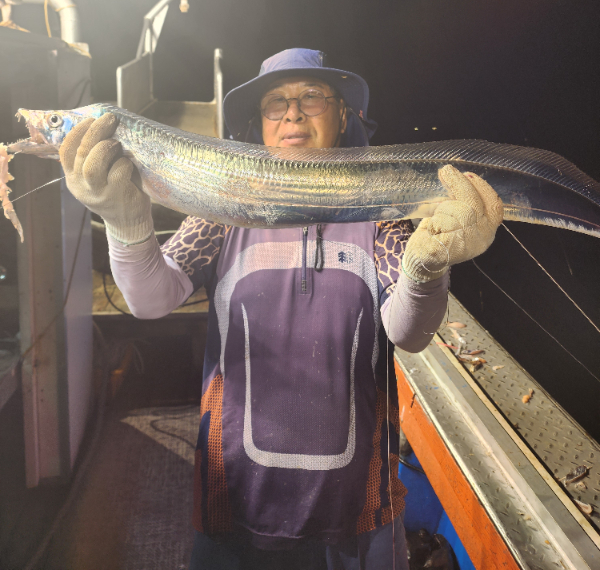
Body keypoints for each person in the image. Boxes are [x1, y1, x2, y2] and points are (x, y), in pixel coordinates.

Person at [59, 48, 503, 570]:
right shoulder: (223, 206)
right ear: (261, 123)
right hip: (235, 496)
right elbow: (151, 299)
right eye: (276, 102)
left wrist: (426, 269)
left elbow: (408, 332)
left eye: (312, 97)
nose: (292, 113)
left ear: (343, 115)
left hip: (356, 504)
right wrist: (125, 223)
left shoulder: (380, 210)